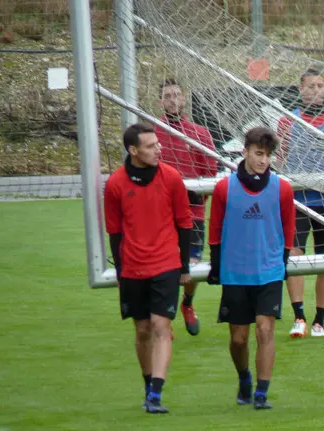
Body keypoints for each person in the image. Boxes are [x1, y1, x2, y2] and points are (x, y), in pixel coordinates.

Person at [104, 123, 194, 413]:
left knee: (160, 326)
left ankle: (155, 393)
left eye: (158, 143)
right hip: (133, 267)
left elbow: (184, 222)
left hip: (166, 263)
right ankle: (147, 386)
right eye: (151, 145)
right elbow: (114, 231)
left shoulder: (171, 178)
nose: (159, 149)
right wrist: (119, 272)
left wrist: (183, 266)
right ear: (133, 150)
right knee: (142, 329)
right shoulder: (116, 184)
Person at [206, 127, 296, 410]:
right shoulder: (224, 187)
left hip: (269, 272)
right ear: (244, 151)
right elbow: (216, 228)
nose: (263, 160)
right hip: (235, 273)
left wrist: (281, 262)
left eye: (268, 155)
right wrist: (216, 263)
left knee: (264, 330)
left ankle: (261, 392)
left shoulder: (282, 188)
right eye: (258, 154)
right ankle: (244, 376)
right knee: (238, 338)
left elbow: (289, 228)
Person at [276, 68, 324, 338]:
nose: (316, 90)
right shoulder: (288, 122)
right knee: (294, 257)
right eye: (311, 86)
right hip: (296, 201)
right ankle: (299, 316)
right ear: (300, 88)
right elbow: (280, 160)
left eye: (321, 86)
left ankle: (320, 320)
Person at [155, 78, 219, 337]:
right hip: (159, 214)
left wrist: (194, 199)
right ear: (160, 102)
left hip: (193, 214)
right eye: (167, 95)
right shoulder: (151, 134)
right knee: (162, 267)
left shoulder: (200, 133)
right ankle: (165, 315)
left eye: (177, 95)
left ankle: (187, 304)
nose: (172, 99)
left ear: (184, 99)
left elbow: (210, 172)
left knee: (190, 268)